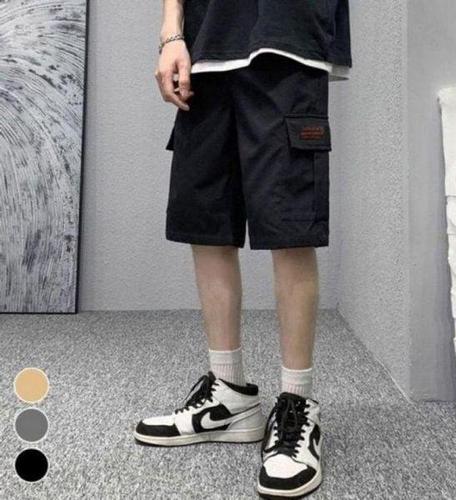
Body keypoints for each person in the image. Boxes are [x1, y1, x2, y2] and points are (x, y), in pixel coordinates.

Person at [135, 1, 352, 497]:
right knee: (206, 219)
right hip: (205, 42)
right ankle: (228, 393)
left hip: (286, 37)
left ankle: (296, 404)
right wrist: (171, 33)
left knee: (289, 224)